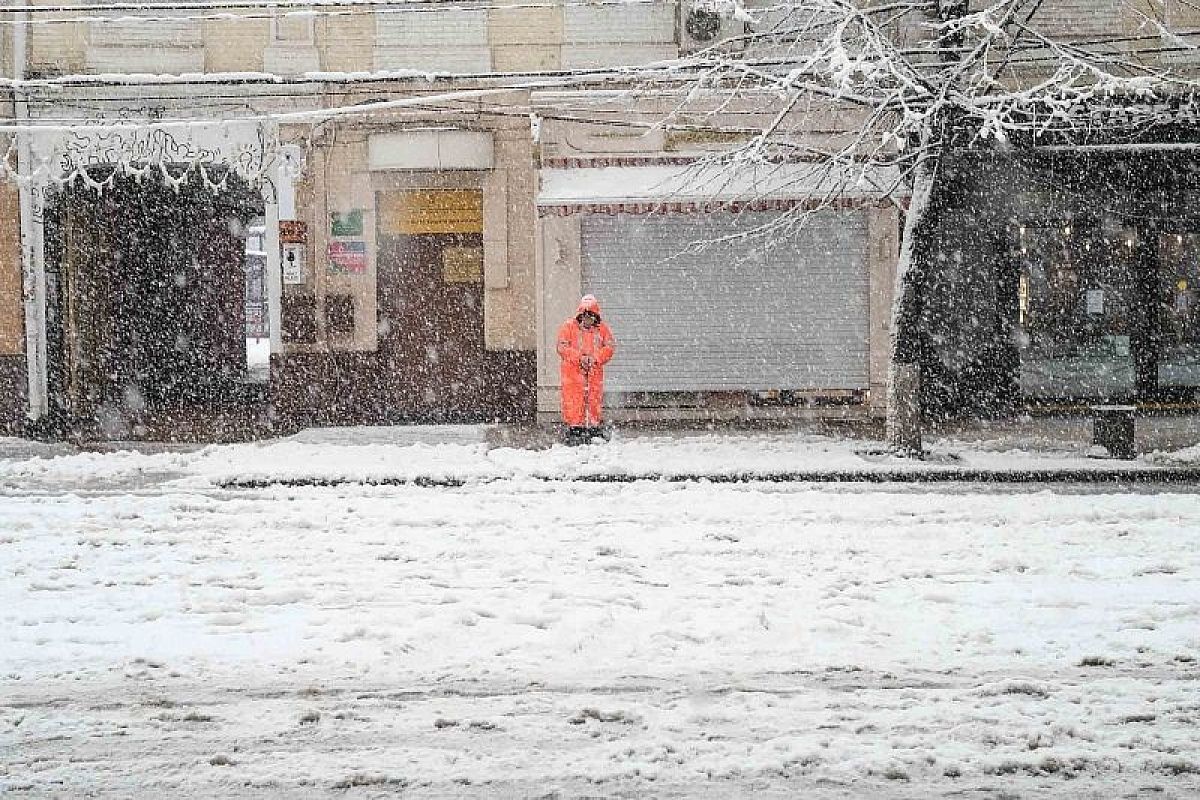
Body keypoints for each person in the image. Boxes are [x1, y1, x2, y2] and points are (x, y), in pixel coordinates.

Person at [556, 294, 616, 445]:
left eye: (591, 315)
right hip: (573, 374)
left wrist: (595, 358)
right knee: (574, 401)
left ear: (595, 316)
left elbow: (609, 347)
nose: (587, 319)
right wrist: (580, 358)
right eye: (585, 315)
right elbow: (562, 347)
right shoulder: (568, 327)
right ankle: (575, 429)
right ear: (580, 315)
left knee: (594, 400)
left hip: (594, 374)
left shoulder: (602, 329)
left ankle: (593, 427)